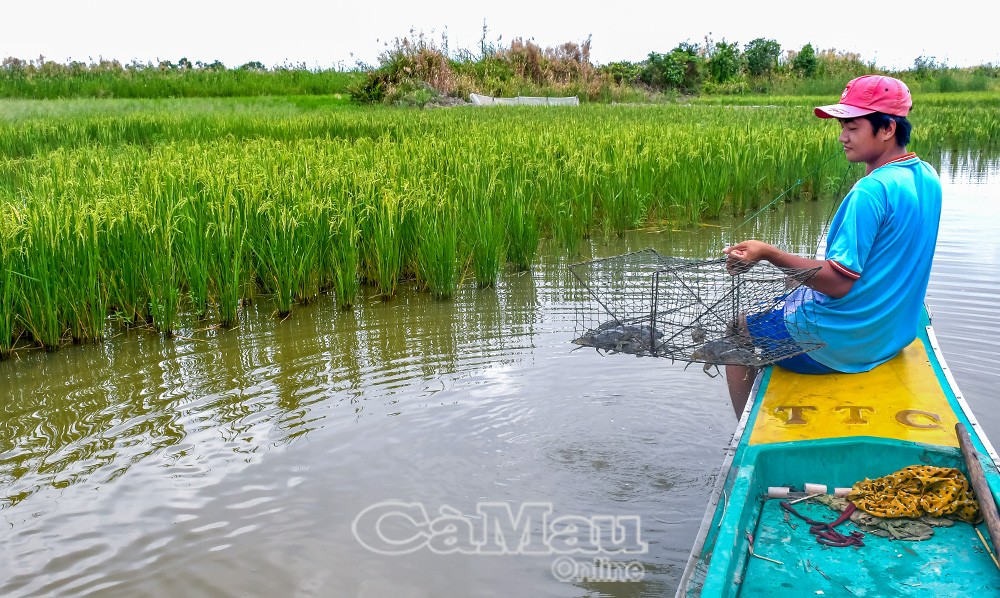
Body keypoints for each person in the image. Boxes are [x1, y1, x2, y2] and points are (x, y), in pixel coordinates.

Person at [722, 75, 942, 415]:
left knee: (737, 329)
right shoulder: (927, 176)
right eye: (842, 127)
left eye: (852, 127)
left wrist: (768, 253)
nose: (842, 137)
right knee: (793, 281)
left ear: (887, 129)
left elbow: (839, 283)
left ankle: (743, 429)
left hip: (842, 345)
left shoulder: (870, 192)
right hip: (892, 336)